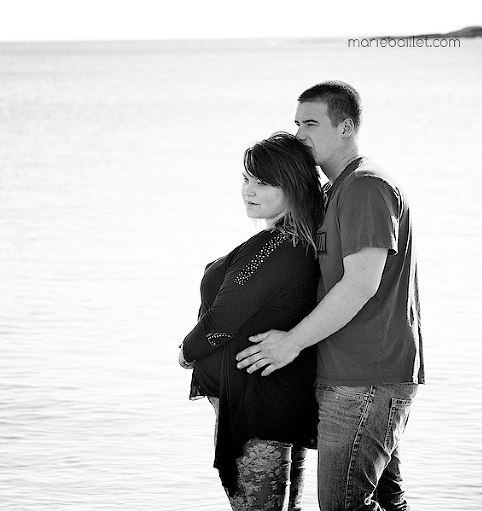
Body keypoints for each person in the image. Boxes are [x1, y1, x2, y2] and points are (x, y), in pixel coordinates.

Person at [235, 81, 425, 511]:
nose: (301, 135)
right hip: (348, 375)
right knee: (385, 503)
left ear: (346, 127)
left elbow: (361, 285)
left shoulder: (365, 186)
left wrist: (290, 344)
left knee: (343, 505)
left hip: (366, 378)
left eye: (312, 123)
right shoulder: (334, 191)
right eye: (297, 123)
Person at [178, 131, 325, 510]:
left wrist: (185, 352)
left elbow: (222, 322)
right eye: (246, 179)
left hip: (258, 411)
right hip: (273, 403)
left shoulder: (278, 245)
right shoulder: (293, 241)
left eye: (263, 182)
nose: (249, 190)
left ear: (292, 186)